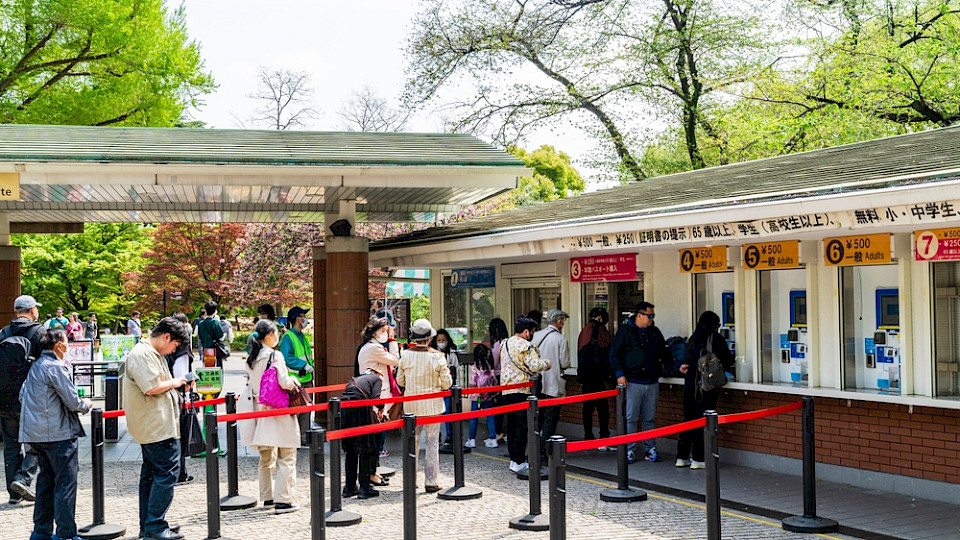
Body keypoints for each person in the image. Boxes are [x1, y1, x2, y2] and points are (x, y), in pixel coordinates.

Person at [19, 328, 92, 540]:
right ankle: (66, 534)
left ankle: (41, 532)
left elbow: (23, 396)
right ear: (58, 345)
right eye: (66, 341)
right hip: (58, 435)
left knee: (45, 483)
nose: (68, 345)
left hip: (35, 435)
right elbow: (72, 400)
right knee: (65, 484)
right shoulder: (56, 366)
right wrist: (85, 405)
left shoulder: (35, 366)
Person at [122, 317, 192, 540]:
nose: (173, 350)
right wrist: (178, 381)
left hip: (155, 424)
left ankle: (150, 524)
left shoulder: (151, 353)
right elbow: (152, 387)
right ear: (166, 337)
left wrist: (177, 384)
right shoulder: (143, 354)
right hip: (156, 426)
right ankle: (154, 525)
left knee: (152, 476)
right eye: (174, 346)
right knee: (166, 474)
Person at [237, 320, 301, 514]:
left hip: (258, 411)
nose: (278, 336)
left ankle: (268, 498)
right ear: (270, 334)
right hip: (277, 410)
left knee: (266, 459)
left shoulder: (252, 358)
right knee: (287, 455)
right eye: (276, 333)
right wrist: (294, 381)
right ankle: (284, 501)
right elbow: (284, 382)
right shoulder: (275, 355)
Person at [609, 302, 671, 464]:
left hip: (651, 381)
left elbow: (664, 352)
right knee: (631, 417)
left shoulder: (654, 332)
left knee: (649, 418)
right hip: (632, 381)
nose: (652, 319)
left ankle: (650, 448)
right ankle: (629, 450)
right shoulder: (624, 332)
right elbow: (614, 354)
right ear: (639, 315)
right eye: (650, 316)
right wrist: (619, 374)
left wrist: (675, 366)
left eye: (653, 316)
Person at [395, 319, 452, 493]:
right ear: (429, 338)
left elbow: (400, 380)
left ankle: (410, 480)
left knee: (413, 442)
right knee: (433, 442)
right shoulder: (437, 357)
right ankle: (432, 480)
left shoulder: (405, 355)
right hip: (433, 406)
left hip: (411, 405)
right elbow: (447, 383)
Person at [676, 311, 735, 470]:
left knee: (689, 418)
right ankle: (698, 458)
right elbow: (728, 360)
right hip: (706, 386)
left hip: (690, 385)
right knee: (704, 419)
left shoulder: (693, 339)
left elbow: (687, 362)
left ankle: (681, 457)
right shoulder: (715, 338)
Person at [0, 294, 44, 504]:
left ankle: (14, 494)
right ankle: (23, 479)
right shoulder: (39, 332)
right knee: (38, 443)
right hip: (30, 398)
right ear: (32, 310)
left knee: (11, 446)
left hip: (4, 399)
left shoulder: (3, 333)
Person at [499, 316, 551, 474]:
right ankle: (520, 460)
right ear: (527, 331)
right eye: (532, 331)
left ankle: (513, 460)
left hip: (507, 390)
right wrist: (547, 363)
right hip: (522, 390)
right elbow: (534, 366)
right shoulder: (526, 346)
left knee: (512, 425)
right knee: (522, 427)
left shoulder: (505, 343)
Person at [357, 316, 399, 471]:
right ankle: (372, 470)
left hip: (375, 395)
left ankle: (373, 469)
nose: (385, 335)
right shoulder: (374, 348)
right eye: (383, 331)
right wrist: (393, 341)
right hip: (377, 396)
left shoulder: (370, 347)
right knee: (375, 435)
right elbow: (395, 359)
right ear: (374, 332)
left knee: (376, 433)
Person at [339, 369, 385, 499]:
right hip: (360, 410)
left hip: (345, 410)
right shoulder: (377, 379)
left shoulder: (355, 379)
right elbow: (377, 400)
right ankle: (365, 488)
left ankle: (349, 487)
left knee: (351, 450)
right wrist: (382, 408)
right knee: (366, 448)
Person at [532, 309, 571, 460]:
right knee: (550, 419)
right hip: (553, 384)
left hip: (537, 384)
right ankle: (544, 450)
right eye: (563, 321)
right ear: (559, 321)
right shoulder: (561, 339)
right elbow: (565, 363)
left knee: (538, 418)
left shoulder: (536, 336)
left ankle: (535, 448)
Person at [166, 313, 196, 485]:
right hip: (179, 394)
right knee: (180, 434)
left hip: (170, 391)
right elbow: (181, 372)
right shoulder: (182, 347)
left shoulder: (169, 345)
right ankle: (180, 473)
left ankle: (179, 472)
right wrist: (187, 384)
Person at [578, 307, 614, 448]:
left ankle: (588, 436)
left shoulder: (584, 330)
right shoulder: (598, 330)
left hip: (586, 376)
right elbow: (607, 345)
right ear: (599, 317)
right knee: (602, 408)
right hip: (597, 376)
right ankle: (603, 437)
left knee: (588, 408)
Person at [279, 306, 315, 446]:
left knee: (306, 411)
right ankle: (292, 439)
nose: (305, 319)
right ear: (296, 319)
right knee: (295, 412)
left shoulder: (302, 336)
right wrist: (303, 365)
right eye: (302, 316)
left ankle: (303, 438)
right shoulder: (289, 337)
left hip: (306, 379)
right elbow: (286, 357)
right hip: (295, 381)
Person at [467, 339, 499, 448]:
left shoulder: (473, 367)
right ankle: (493, 438)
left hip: (476, 396)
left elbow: (472, 382)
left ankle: (471, 439)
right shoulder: (489, 368)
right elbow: (494, 381)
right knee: (490, 417)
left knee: (473, 418)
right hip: (487, 396)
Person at [430, 328, 458, 449]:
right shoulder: (432, 354)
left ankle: (448, 435)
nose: (441, 342)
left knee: (447, 412)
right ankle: (437, 435)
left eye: (443, 340)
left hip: (448, 388)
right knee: (436, 413)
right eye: (439, 340)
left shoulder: (452, 354)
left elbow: (457, 370)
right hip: (436, 389)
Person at [487, 317, 510, 443]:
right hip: (508, 378)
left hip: (498, 378)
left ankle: (498, 432)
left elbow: (494, 363)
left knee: (498, 407)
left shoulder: (497, 345)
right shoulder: (508, 342)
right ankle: (505, 432)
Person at [196, 301, 224, 366]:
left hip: (205, 350)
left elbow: (200, 336)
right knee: (217, 370)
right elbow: (220, 335)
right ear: (215, 311)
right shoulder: (215, 322)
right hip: (215, 351)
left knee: (207, 368)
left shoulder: (201, 324)